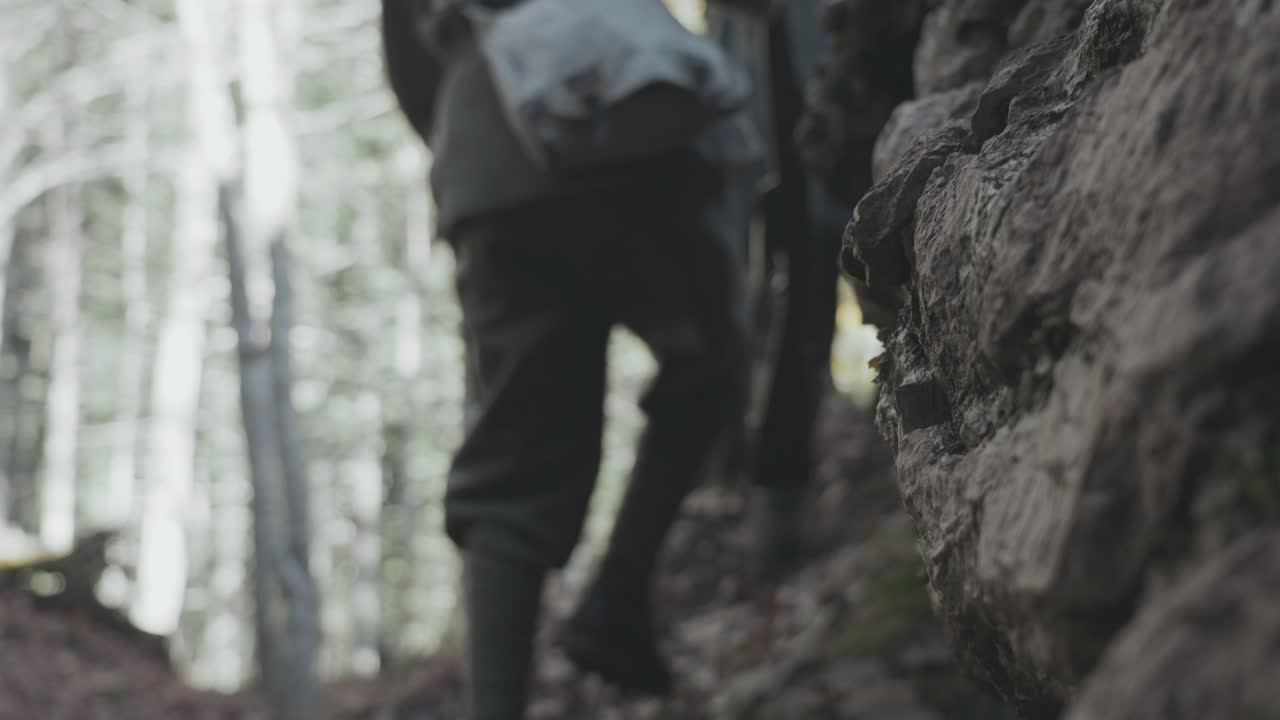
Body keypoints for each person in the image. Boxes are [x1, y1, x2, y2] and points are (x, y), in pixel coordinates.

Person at [380, 1, 756, 717]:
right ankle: (617, 600)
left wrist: (474, 129)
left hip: (493, 151)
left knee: (516, 460)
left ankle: (506, 699)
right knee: (710, 362)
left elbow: (408, 65)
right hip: (638, 133)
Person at [704, 0, 850, 579]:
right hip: (769, 126)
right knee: (784, 299)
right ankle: (764, 500)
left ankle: (770, 499)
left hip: (802, 122)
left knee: (799, 298)